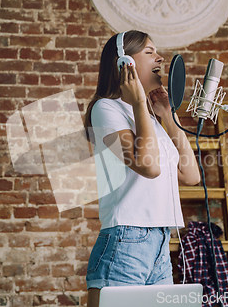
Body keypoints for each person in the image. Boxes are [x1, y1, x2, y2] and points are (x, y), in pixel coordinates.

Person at [83, 30, 201, 307]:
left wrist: (167, 116)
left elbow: (191, 176)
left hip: (160, 240)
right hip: (127, 239)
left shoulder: (150, 118)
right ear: (125, 63)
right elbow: (149, 168)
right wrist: (137, 102)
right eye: (149, 52)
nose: (160, 57)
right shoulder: (106, 109)